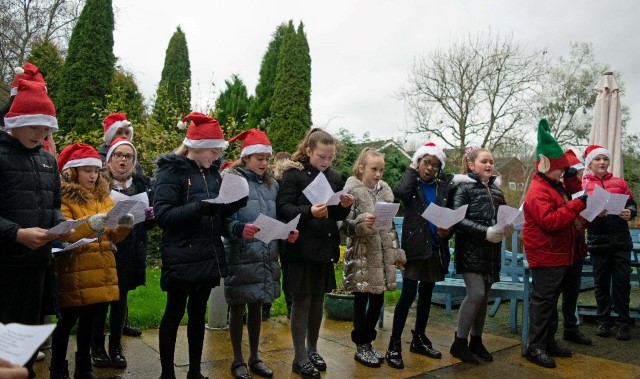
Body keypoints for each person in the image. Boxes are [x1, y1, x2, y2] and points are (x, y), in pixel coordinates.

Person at [154, 112, 247, 379]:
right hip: (181, 254)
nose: (218, 156)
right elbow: (163, 216)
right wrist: (199, 208)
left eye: (220, 150)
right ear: (196, 146)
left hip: (208, 255)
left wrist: (234, 203)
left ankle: (194, 371)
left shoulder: (214, 174)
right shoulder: (171, 172)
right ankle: (167, 373)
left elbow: (218, 212)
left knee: (198, 314)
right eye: (213, 149)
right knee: (174, 312)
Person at [0, 69, 72, 379]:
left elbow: (53, 206)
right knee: (5, 349)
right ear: (15, 121)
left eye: (46, 127)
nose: (40, 134)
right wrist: (16, 233)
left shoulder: (46, 161)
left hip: (38, 268)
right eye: (33, 126)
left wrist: (62, 224)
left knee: (28, 344)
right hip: (5, 269)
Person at [50, 143, 133, 379]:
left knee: (90, 321)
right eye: (87, 171)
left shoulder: (104, 197)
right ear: (72, 171)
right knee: (67, 322)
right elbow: (66, 232)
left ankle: (84, 368)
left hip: (102, 268)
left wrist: (124, 226)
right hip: (75, 269)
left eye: (96, 171)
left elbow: (112, 233)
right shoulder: (64, 198)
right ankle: (58, 368)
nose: (93, 176)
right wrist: (91, 224)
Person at [276, 128, 352, 379]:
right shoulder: (293, 175)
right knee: (302, 301)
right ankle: (299, 357)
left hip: (324, 246)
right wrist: (309, 211)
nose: (326, 162)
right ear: (308, 151)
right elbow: (283, 207)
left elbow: (337, 216)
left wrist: (344, 207)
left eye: (330, 158)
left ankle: (313, 350)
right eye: (321, 156)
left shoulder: (334, 176)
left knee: (318, 300)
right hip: (300, 248)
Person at [223, 129, 299, 379]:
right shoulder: (232, 180)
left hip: (265, 252)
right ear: (245, 158)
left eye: (267, 158)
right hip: (241, 251)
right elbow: (224, 219)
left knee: (257, 305)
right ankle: (237, 360)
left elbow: (275, 218)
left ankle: (255, 357)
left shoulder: (272, 184)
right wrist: (237, 229)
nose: (264, 163)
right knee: (237, 306)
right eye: (259, 158)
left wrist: (286, 233)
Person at [522, 119, 588, 369]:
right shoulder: (538, 191)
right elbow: (550, 221)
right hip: (546, 254)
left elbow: (568, 195)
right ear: (546, 165)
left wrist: (571, 180)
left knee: (550, 301)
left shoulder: (552, 185)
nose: (563, 172)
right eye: (560, 169)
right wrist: (578, 204)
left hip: (557, 253)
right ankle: (535, 347)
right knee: (543, 301)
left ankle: (548, 341)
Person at [386, 142, 454, 370]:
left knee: (426, 295)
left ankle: (419, 338)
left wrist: (448, 230)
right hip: (415, 248)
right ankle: (394, 344)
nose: (430, 169)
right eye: (426, 163)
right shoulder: (413, 184)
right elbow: (399, 193)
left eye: (435, 165)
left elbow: (449, 214)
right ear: (418, 163)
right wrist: (411, 169)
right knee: (407, 296)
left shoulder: (442, 187)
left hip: (435, 248)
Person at [91, 138, 155, 369]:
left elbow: (148, 222)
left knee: (121, 299)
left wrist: (149, 218)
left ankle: (116, 346)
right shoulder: (98, 184)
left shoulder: (142, 184)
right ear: (109, 160)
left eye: (128, 156)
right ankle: (96, 346)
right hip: (105, 247)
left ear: (134, 161)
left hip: (130, 249)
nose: (123, 160)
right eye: (118, 155)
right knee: (101, 300)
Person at [339, 148, 406, 368]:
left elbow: (390, 228)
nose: (378, 174)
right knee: (361, 298)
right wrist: (360, 223)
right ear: (361, 168)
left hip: (383, 255)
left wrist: (397, 253)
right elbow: (343, 226)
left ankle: (368, 341)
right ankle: (361, 345)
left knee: (378, 299)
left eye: (381, 170)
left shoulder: (385, 192)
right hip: (362, 255)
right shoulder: (351, 192)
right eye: (373, 169)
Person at [448, 147, 508, 364]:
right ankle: (459, 342)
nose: (489, 165)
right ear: (472, 165)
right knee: (476, 294)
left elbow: (504, 217)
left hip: (492, 253)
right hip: (470, 251)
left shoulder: (498, 192)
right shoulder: (463, 188)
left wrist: (506, 225)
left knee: (483, 298)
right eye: (484, 161)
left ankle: (477, 340)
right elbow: (457, 219)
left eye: (491, 161)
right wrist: (485, 232)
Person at [582, 144, 637, 341]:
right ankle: (603, 321)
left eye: (605, 159)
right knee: (601, 283)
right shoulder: (584, 185)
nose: (603, 162)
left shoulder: (620, 182)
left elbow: (631, 203)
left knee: (622, 284)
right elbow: (580, 212)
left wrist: (630, 212)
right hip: (598, 241)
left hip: (621, 241)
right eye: (598, 159)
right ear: (590, 163)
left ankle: (623, 323)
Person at [272, 151, 293, 318]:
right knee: (283, 268)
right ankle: (290, 306)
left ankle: (289, 305)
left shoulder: (275, 181)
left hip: (282, 227)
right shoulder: (274, 181)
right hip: (279, 226)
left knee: (283, 267)